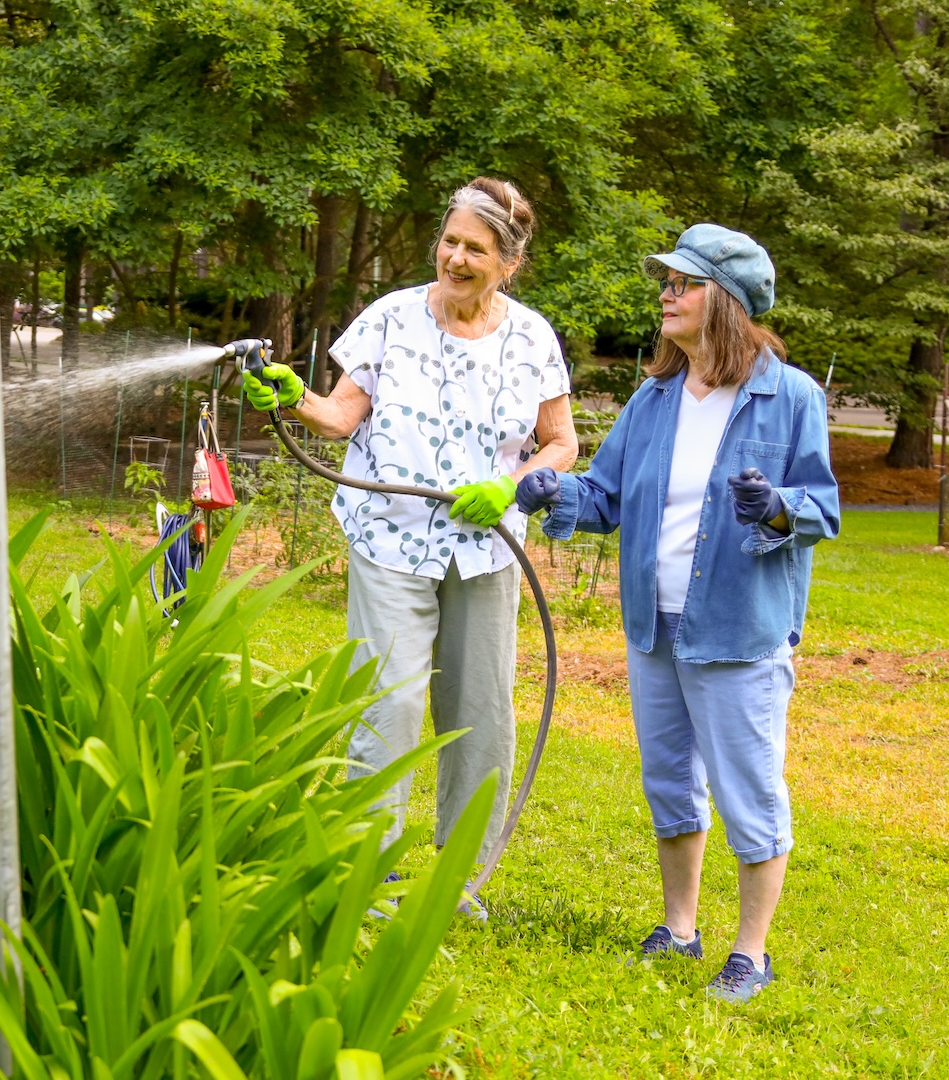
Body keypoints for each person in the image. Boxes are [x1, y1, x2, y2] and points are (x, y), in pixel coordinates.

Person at [513, 224, 840, 1001]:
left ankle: (751, 953)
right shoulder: (655, 398)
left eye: (683, 283)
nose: (667, 292)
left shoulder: (789, 396)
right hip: (654, 628)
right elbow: (607, 497)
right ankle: (681, 929)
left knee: (748, 792)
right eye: (666, 280)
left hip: (739, 631)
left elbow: (822, 509)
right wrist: (553, 490)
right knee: (669, 782)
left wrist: (778, 508)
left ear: (724, 301)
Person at [240, 177, 578, 921]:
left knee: (479, 712)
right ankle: (375, 877)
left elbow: (561, 443)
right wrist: (292, 394)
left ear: (510, 264)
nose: (455, 258)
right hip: (390, 540)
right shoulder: (391, 318)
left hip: (488, 551)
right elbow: (336, 417)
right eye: (449, 240)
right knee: (385, 708)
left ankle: (458, 881)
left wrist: (513, 485)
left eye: (475, 249)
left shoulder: (531, 338)